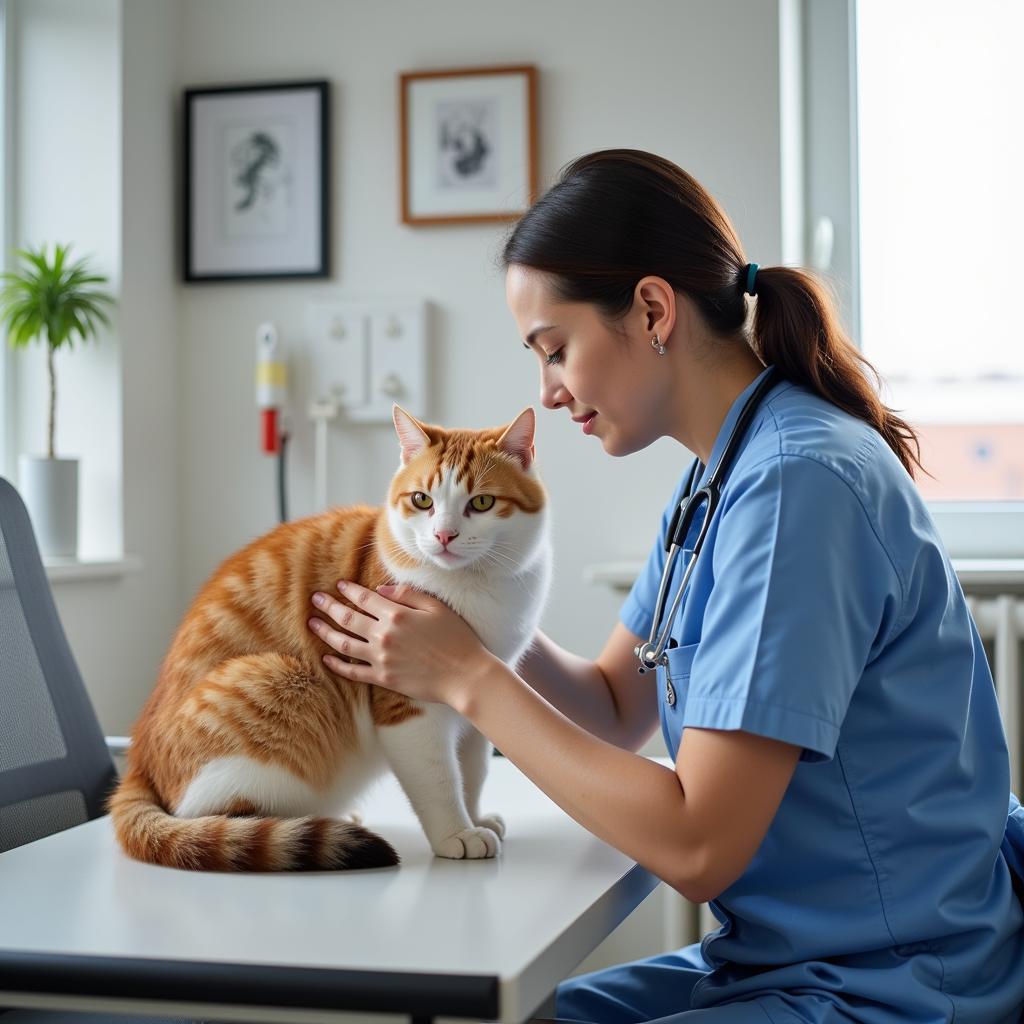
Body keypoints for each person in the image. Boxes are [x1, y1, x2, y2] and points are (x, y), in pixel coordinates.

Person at [307, 149, 1024, 1022]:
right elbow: (614, 704)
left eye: (555, 349)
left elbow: (697, 844)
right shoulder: (723, 474)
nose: (550, 391)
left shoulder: (798, 485)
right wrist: (462, 616)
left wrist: (465, 676)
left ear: (651, 309)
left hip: (888, 985)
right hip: (783, 963)